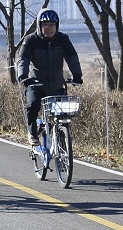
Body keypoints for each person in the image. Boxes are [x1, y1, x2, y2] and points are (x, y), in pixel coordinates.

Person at [16, 8, 83, 146]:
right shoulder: (31, 40)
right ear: (39, 26)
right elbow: (23, 59)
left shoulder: (63, 39)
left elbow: (72, 57)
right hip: (35, 84)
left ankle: (61, 139)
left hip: (57, 84)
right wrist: (23, 76)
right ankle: (32, 133)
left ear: (57, 26)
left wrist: (77, 75)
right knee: (33, 105)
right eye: (45, 25)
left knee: (63, 114)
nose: (49, 28)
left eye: (52, 25)